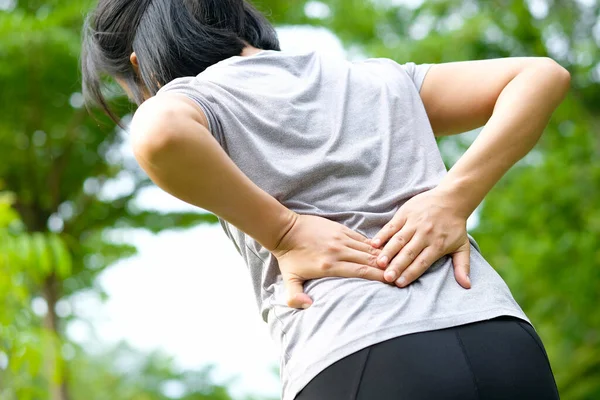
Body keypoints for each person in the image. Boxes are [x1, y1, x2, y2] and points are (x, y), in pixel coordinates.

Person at [81, 1, 570, 399]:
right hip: (500, 340)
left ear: (141, 66)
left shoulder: (196, 98)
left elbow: (157, 132)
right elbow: (540, 75)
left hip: (356, 352)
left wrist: (285, 232)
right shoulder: (380, 78)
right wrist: (453, 199)